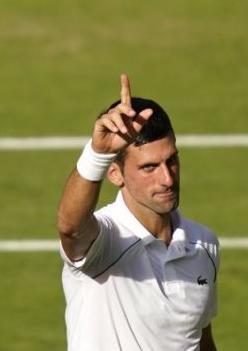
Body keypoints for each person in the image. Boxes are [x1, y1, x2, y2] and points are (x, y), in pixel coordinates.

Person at [57, 74, 220, 351]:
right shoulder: (104, 243)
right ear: (114, 173)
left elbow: (200, 340)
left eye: (171, 161)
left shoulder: (204, 244)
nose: (167, 179)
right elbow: (71, 229)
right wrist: (97, 154)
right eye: (149, 167)